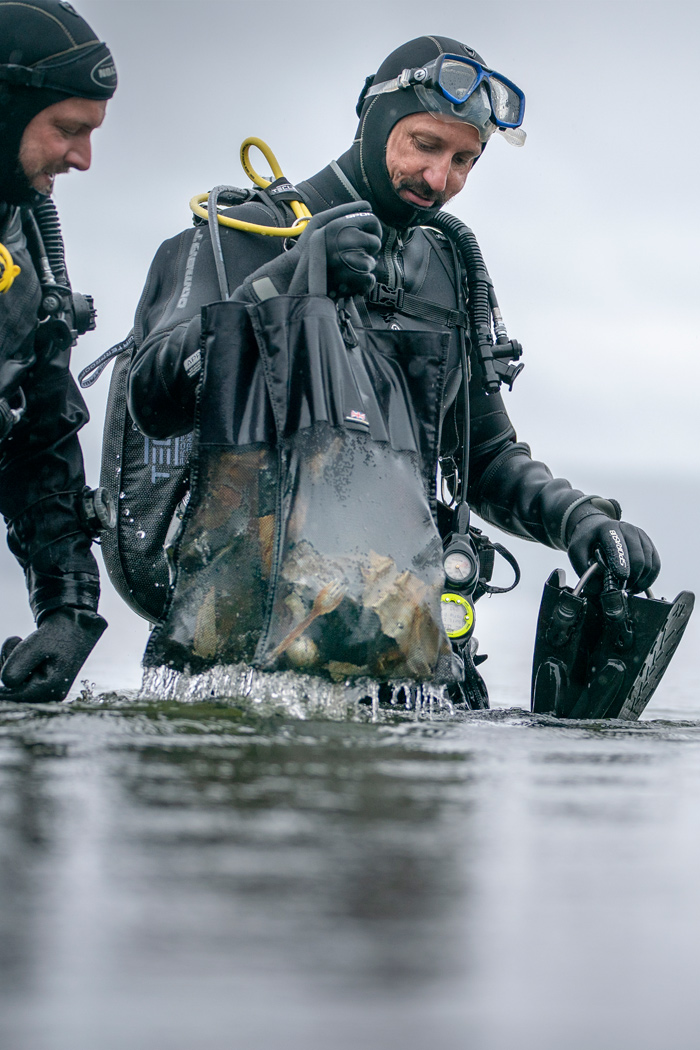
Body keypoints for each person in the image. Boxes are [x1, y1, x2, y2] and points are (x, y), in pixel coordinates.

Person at [126, 35, 659, 696]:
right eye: (426, 145)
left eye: (466, 159)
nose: (441, 181)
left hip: (394, 657)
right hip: (240, 658)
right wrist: (290, 277)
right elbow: (153, 398)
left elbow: (485, 459)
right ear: (371, 119)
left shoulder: (445, 274)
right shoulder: (237, 236)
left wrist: (577, 517)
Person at [0, 0, 117, 702]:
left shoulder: (27, 242)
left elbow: (40, 443)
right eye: (68, 130)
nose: (83, 159)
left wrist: (68, 608)